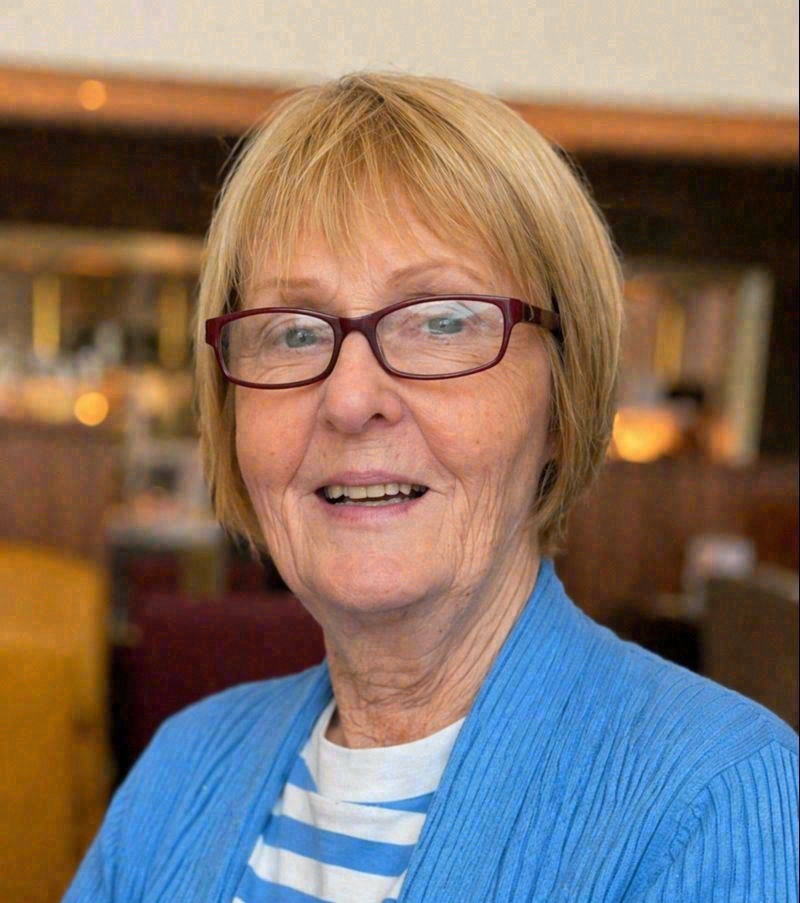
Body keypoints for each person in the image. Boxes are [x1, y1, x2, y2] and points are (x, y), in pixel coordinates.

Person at [65, 72, 798, 903]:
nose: (349, 399)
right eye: (293, 332)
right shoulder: (182, 768)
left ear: (562, 400)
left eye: (442, 321)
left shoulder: (717, 800)